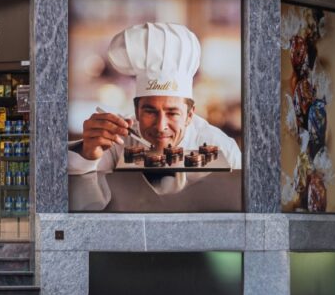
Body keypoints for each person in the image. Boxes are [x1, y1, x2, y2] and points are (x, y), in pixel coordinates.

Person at [69, 22, 243, 181]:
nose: (161, 126)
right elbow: (76, 189)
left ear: (190, 115)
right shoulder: (116, 144)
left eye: (173, 113)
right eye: (150, 112)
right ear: (136, 112)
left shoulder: (224, 150)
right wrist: (88, 153)